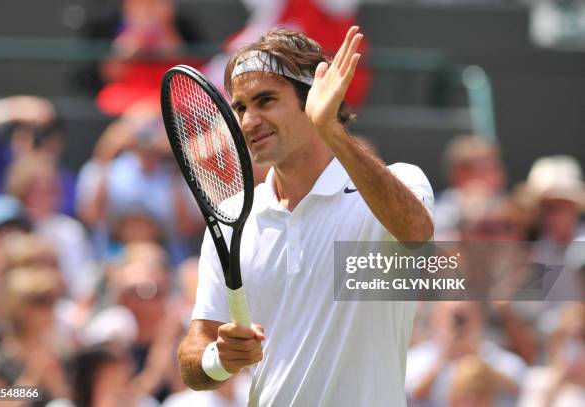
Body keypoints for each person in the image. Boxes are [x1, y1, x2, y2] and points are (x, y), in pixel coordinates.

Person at [177, 26, 434, 406]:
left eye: (265, 101)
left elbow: (416, 233)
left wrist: (330, 130)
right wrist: (219, 360)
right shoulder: (233, 217)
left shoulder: (401, 181)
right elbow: (195, 351)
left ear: (313, 98)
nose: (248, 122)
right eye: (241, 107)